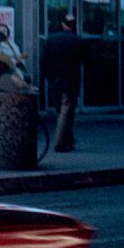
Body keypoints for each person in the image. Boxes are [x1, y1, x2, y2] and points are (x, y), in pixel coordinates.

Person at [41, 13, 83, 152]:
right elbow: (88, 60)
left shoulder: (51, 39)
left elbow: (44, 61)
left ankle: (68, 138)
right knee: (67, 109)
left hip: (54, 80)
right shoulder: (77, 40)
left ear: (63, 24)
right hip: (70, 80)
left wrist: (47, 76)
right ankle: (60, 141)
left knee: (61, 109)